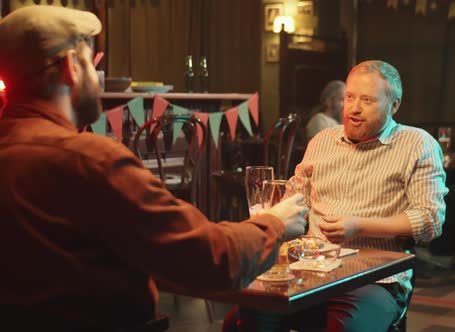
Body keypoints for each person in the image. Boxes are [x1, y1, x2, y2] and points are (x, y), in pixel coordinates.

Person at [0, 6, 308, 331]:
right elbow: (208, 259)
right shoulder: (90, 160)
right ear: (70, 67)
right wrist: (274, 223)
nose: (97, 76)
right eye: (92, 64)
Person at [224, 60, 448, 331]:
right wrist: (274, 213)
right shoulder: (322, 141)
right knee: (246, 316)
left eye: (367, 100)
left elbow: (430, 221)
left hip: (376, 278)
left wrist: (360, 225)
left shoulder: (417, 144)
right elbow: (296, 199)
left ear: (394, 105)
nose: (354, 108)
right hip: (310, 271)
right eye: (349, 97)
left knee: (348, 327)